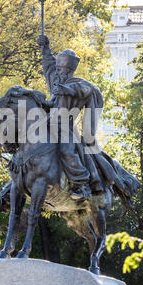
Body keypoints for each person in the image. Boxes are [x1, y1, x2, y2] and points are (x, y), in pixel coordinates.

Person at [37, 34, 106, 200]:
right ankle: (10, 191)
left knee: (67, 150)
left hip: (65, 128)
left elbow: (84, 90)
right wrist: (45, 46)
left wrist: (66, 90)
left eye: (60, 69)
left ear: (68, 71)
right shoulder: (56, 80)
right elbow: (48, 65)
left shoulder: (78, 84)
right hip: (46, 124)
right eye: (58, 69)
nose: (57, 72)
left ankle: (81, 185)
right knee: (27, 150)